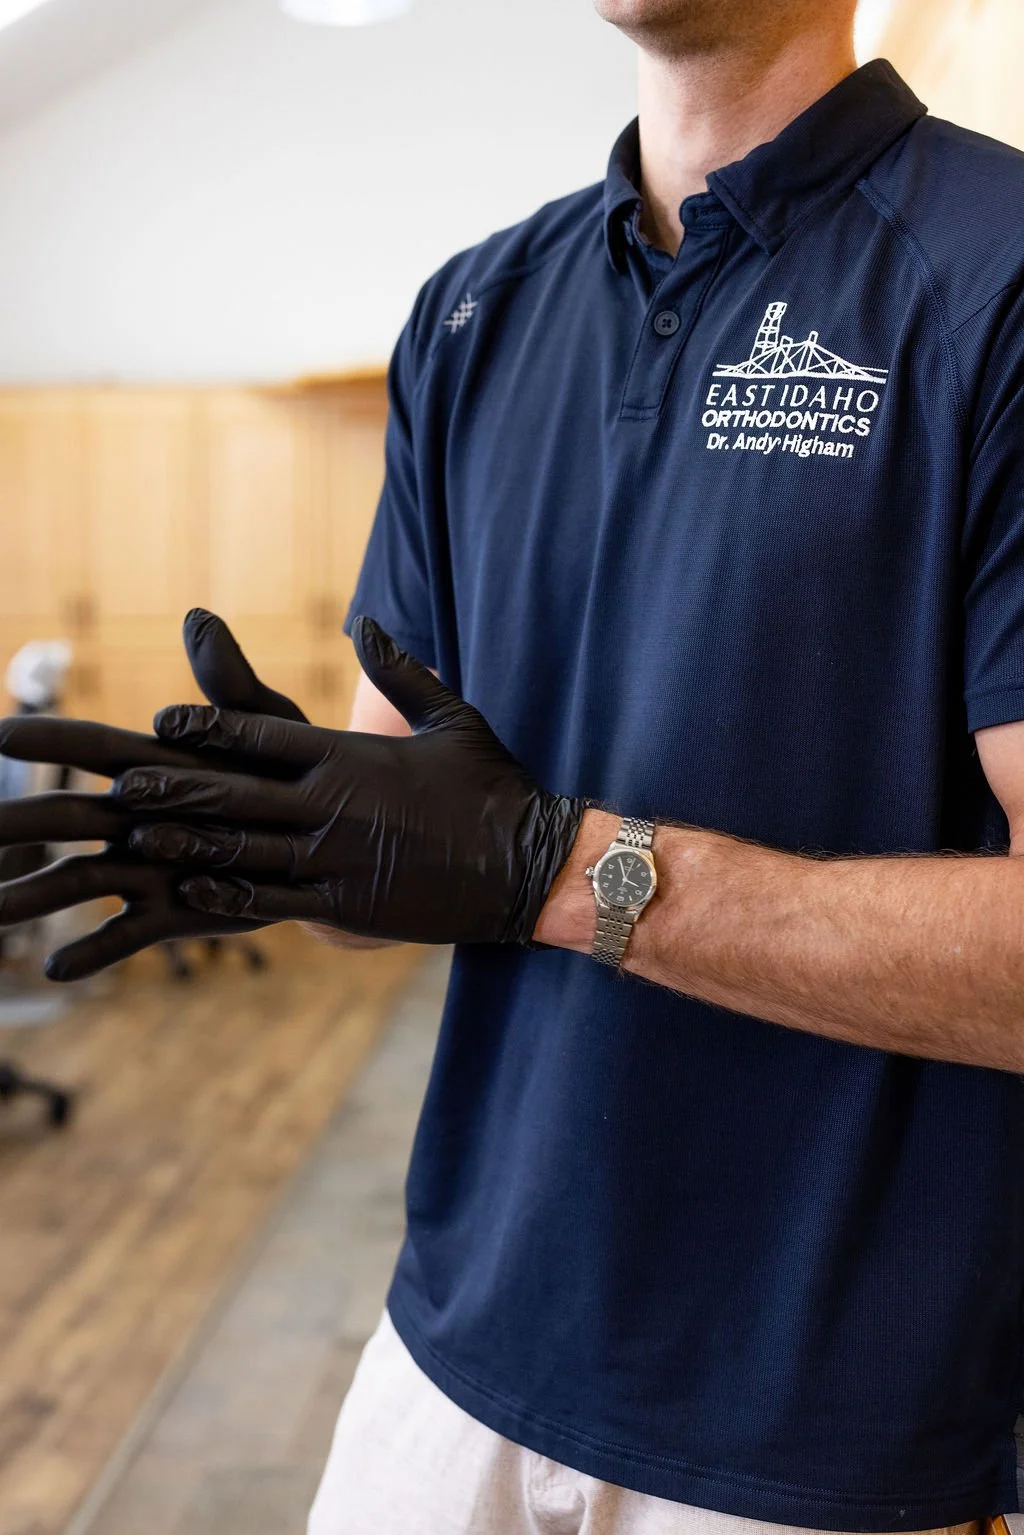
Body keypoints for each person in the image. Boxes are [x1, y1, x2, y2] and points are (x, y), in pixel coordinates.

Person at [2, 2, 1024, 1531]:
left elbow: (517, 859)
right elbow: (430, 852)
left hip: (819, 1438)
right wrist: (300, 843)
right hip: (453, 1354)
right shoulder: (477, 312)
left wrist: (563, 870)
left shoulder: (992, 269)